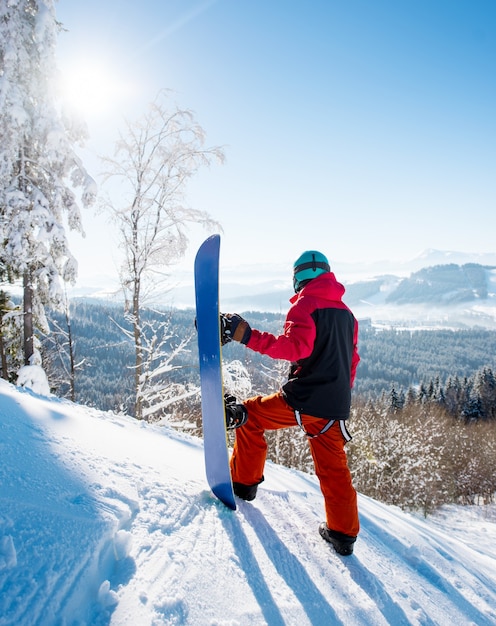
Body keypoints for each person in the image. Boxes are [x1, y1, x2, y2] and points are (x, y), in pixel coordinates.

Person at [221, 250, 360, 556]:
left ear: (297, 278)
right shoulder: (348, 315)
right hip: (334, 408)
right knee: (335, 470)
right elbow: (352, 362)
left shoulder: (306, 305)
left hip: (305, 399)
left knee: (250, 415)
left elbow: (293, 347)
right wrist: (336, 395)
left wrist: (245, 335)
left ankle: (243, 483)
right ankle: (342, 534)